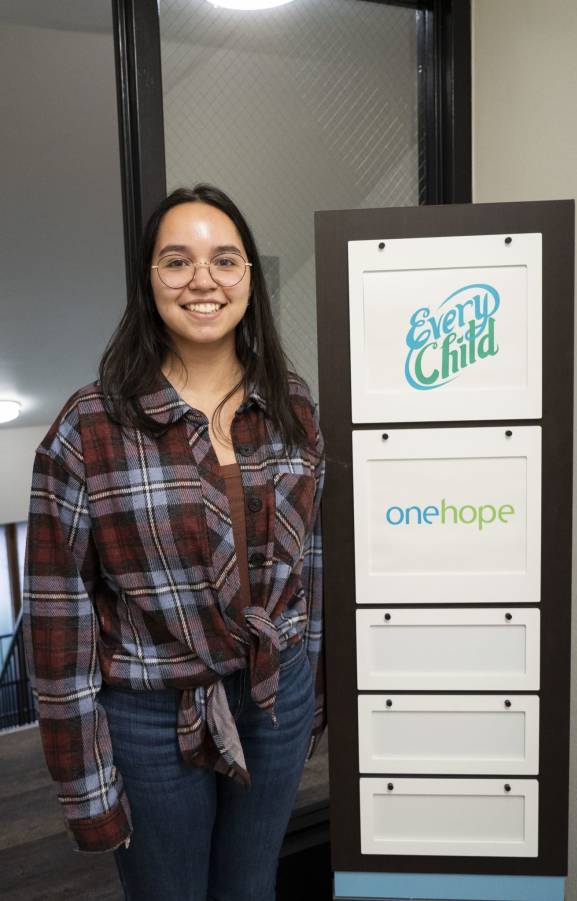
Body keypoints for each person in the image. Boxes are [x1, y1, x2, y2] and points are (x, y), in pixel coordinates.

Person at [22, 184, 326, 901]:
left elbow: (310, 564)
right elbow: (58, 627)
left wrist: (309, 682)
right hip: (152, 714)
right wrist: (86, 787)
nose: (202, 280)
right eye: (176, 260)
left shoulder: (292, 403)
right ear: (148, 279)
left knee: (251, 886)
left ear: (250, 277)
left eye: (225, 260)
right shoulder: (88, 427)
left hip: (273, 694)